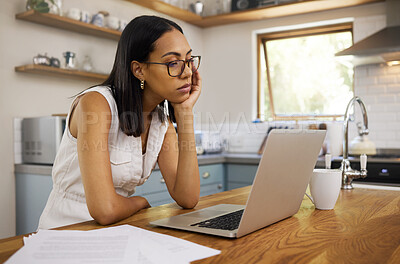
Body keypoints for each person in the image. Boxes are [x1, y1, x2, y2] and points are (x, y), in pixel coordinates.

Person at [38, 15, 202, 229]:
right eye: (173, 63)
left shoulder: (161, 122)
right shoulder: (96, 104)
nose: (187, 72)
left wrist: (186, 113)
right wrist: (139, 202)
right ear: (139, 70)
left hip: (119, 230)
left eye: (189, 61)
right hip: (68, 229)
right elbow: (105, 210)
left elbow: (187, 198)